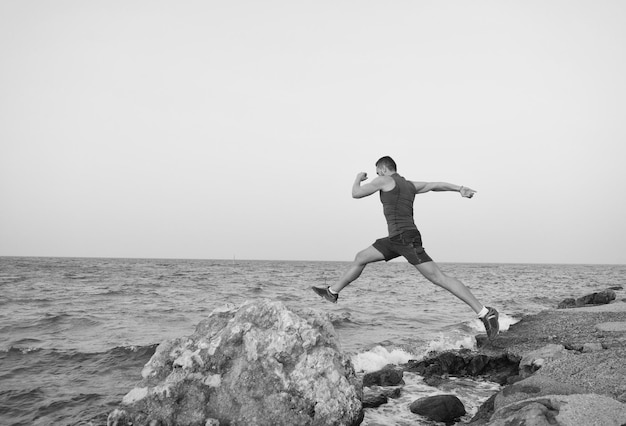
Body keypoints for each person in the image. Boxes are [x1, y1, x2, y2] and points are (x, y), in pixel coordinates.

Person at [312, 156, 500, 339]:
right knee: (361, 257)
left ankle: (485, 313)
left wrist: (358, 178)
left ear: (384, 169)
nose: (377, 175)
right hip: (395, 239)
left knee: (439, 277)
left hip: (405, 238)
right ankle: (332, 292)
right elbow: (434, 185)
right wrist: (459, 188)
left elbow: (356, 193)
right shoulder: (410, 185)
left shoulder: (383, 180)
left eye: (378, 171)